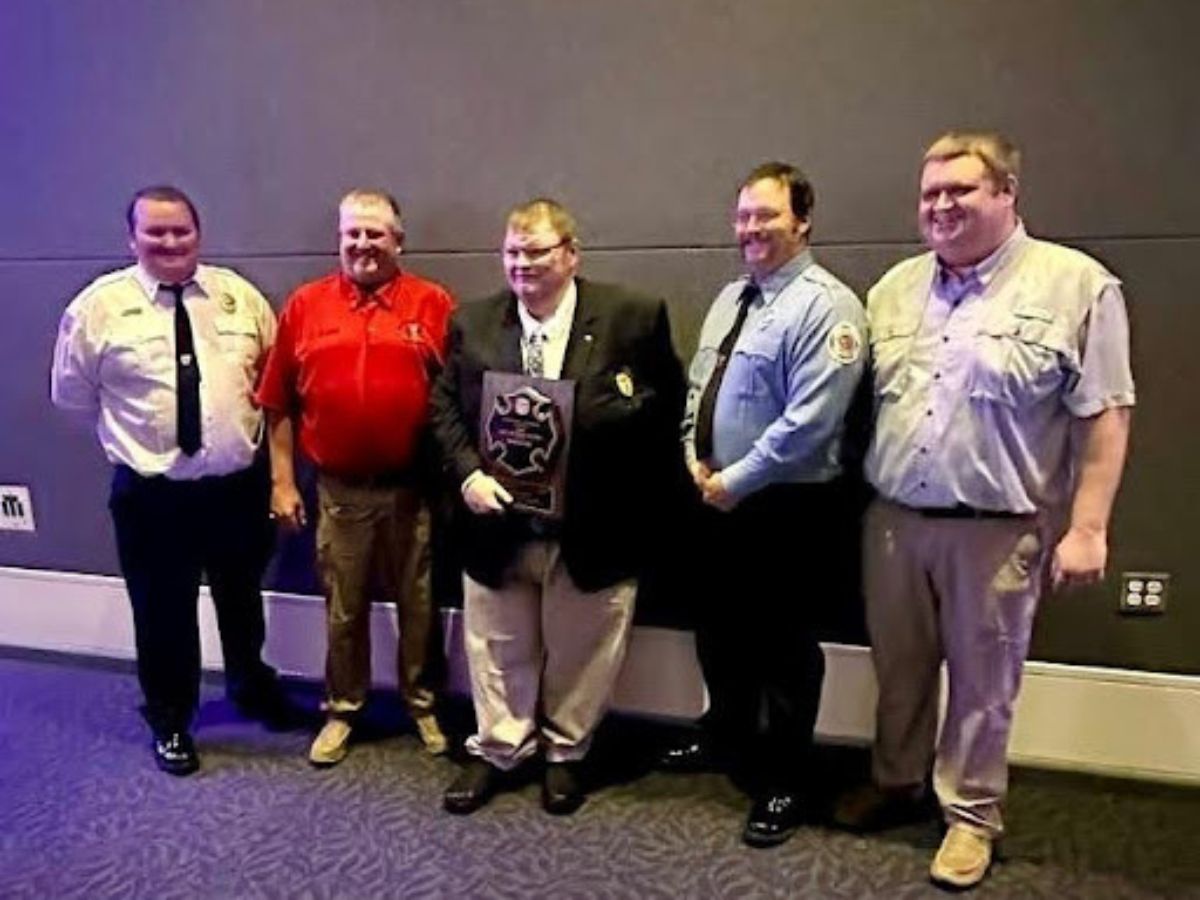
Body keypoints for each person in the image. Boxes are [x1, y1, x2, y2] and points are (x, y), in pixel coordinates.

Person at [833, 130, 1135, 890]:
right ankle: (897, 781)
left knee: (982, 685)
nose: (940, 206)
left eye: (960, 190)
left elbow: (1105, 416)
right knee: (899, 672)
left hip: (999, 531)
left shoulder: (1078, 286)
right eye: (930, 193)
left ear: (1006, 194)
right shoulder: (894, 289)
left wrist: (1089, 527)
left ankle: (970, 817)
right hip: (895, 523)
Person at [431, 198, 685, 816]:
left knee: (584, 648)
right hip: (497, 525)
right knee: (495, 647)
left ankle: (566, 753)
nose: (523, 265)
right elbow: (442, 408)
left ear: (571, 255)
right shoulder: (475, 322)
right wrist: (466, 475)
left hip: (594, 526)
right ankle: (499, 750)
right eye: (513, 253)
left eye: (537, 252)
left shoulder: (633, 316)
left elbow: (666, 408)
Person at [51, 185, 289, 776]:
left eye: (180, 230)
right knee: (162, 612)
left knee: (242, 598)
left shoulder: (238, 296)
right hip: (153, 496)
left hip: (237, 486)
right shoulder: (97, 308)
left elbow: (273, 379)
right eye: (155, 232)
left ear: (198, 233)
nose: (169, 241)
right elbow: (73, 395)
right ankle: (170, 718)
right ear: (131, 238)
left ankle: (251, 686)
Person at [664, 162, 867, 847]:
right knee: (718, 630)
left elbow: (811, 420)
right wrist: (693, 460)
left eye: (767, 216)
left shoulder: (828, 306)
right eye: (744, 216)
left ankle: (784, 781)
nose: (751, 229)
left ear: (803, 221)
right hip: (715, 496)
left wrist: (737, 480)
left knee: (783, 648)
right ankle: (724, 736)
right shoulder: (732, 297)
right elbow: (700, 390)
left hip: (785, 508)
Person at [256, 189, 455, 766]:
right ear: (340, 239)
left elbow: (459, 400)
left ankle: (422, 704)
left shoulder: (434, 304)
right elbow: (277, 402)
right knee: (343, 606)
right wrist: (282, 481)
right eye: (353, 234)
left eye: (376, 234)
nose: (363, 245)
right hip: (339, 491)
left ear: (398, 240)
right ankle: (343, 709)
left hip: (413, 489)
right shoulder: (305, 306)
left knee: (420, 602)